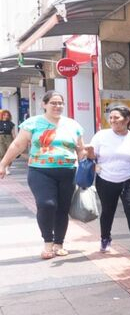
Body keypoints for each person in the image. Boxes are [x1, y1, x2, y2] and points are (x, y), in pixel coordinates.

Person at [0, 91, 85, 259]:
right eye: (53, 103)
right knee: (47, 204)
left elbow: (80, 150)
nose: (57, 106)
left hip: (68, 171)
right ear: (44, 104)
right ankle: (48, 242)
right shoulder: (33, 123)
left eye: (60, 103)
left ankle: (59, 243)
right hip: (40, 170)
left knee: (62, 208)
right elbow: (17, 145)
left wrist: (88, 157)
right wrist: (3, 164)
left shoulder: (73, 125)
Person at [84, 106, 130, 256]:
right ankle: (105, 239)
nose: (112, 120)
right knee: (108, 211)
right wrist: (89, 153)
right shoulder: (101, 136)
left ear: (127, 119)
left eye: (116, 117)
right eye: (111, 118)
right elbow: (92, 157)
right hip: (106, 180)